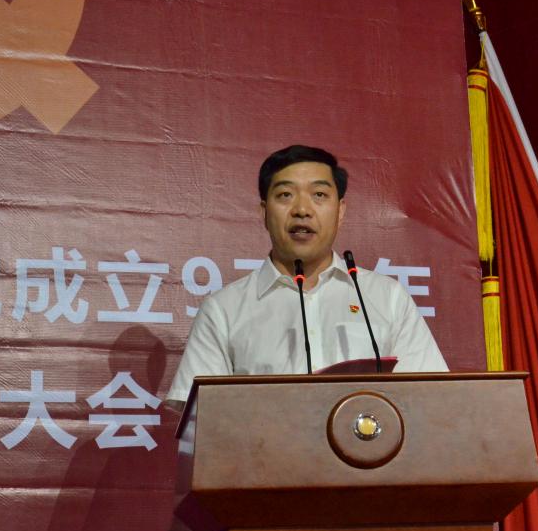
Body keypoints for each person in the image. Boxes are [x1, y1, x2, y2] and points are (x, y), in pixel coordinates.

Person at [165, 145, 446, 404]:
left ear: (340, 211)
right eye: (285, 195)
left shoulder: (387, 298)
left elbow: (430, 400)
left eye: (319, 195)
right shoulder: (223, 310)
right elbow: (201, 420)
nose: (302, 210)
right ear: (264, 212)